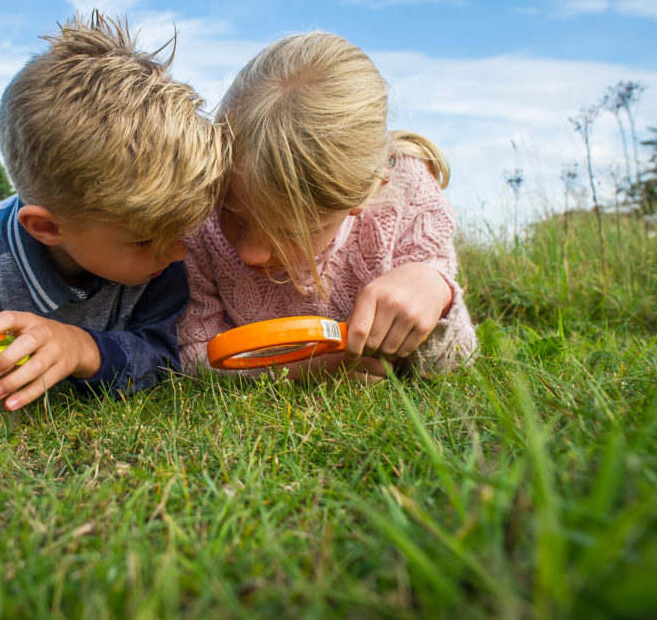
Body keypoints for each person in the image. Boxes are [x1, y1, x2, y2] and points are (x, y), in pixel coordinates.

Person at [0, 12, 227, 425]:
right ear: (47, 228)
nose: (177, 252)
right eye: (143, 241)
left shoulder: (161, 253)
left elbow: (164, 357)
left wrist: (82, 350)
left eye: (179, 231)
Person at [178, 31, 476, 381]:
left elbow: (455, 360)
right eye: (230, 212)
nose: (249, 253)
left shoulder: (408, 195)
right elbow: (192, 355)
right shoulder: (200, 213)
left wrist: (435, 290)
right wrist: (315, 368)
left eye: (289, 231)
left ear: (364, 192)